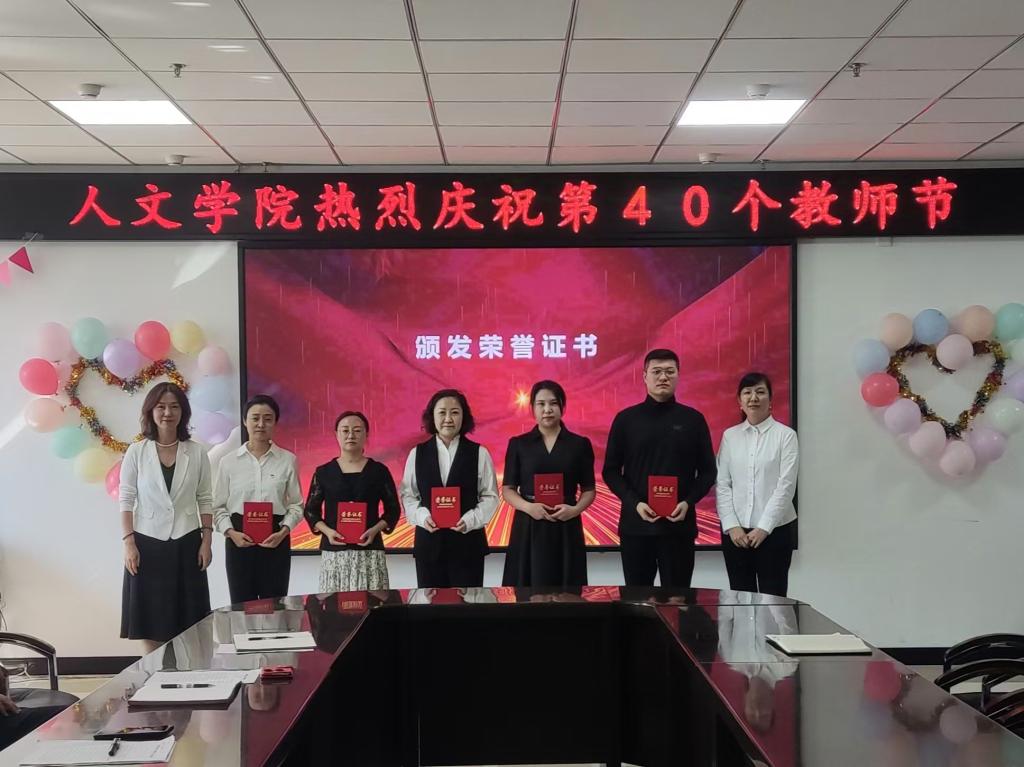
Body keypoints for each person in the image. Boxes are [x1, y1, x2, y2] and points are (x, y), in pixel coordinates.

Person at [603, 349, 716, 588]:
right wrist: (635, 503)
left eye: (669, 371)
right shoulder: (626, 419)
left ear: (678, 375)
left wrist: (688, 502)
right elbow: (610, 471)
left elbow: (708, 472)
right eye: (656, 371)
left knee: (678, 601)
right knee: (637, 601)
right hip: (636, 527)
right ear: (644, 376)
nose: (663, 377)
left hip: (679, 528)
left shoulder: (693, 419)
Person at [120, 382, 213, 654]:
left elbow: (205, 498)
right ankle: (152, 676)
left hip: (187, 543)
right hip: (147, 545)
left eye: (174, 407)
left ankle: (189, 676)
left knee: (189, 621)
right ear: (151, 411)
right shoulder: (137, 451)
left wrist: (207, 541)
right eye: (161, 407)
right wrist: (129, 543)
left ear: (183, 412)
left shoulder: (197, 452)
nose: (168, 413)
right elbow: (126, 499)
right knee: (150, 620)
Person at [501, 380, 595, 588]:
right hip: (529, 523)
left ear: (562, 406)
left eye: (553, 403)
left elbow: (589, 490)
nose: (547, 409)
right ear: (532, 408)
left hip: (566, 523)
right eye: (541, 404)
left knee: (568, 591)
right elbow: (508, 489)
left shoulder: (579, 444)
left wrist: (574, 510)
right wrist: (529, 507)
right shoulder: (519, 444)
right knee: (526, 590)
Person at [400, 389, 499, 588]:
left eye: (454, 412)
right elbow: (408, 495)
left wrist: (470, 519)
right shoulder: (417, 453)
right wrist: (422, 517)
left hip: (468, 545)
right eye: (442, 412)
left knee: (468, 604)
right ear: (432, 416)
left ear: (464, 416)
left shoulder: (479, 453)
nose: (448, 419)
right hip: (429, 546)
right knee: (431, 605)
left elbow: (490, 496)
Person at [213, 395, 303, 605]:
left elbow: (296, 505)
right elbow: (218, 507)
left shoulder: (288, 460)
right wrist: (230, 533)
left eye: (268, 419)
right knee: (241, 607)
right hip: (239, 540)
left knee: (276, 606)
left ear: (275, 423)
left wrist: (283, 532)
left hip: (276, 540)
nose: (261, 424)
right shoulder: (228, 462)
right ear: (245, 421)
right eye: (255, 418)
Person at [716, 372, 798, 598]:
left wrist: (764, 527)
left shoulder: (786, 436)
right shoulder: (730, 436)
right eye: (747, 393)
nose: (753, 397)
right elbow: (722, 484)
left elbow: (786, 486)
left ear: (770, 400)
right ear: (739, 401)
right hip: (736, 535)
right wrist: (732, 525)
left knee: (774, 601)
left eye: (760, 392)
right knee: (740, 600)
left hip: (775, 532)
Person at [303, 412, 400, 592]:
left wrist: (375, 530)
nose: (351, 435)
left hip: (370, 552)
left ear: (366, 434)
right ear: (336, 434)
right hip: (335, 553)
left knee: (372, 605)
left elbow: (393, 510)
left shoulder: (379, 471)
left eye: (357, 430)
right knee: (334, 606)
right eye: (345, 430)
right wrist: (328, 532)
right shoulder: (323, 472)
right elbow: (310, 510)